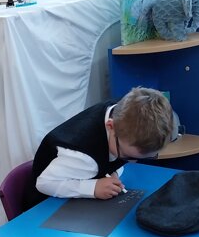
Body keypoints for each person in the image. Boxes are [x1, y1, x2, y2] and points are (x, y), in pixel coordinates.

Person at [28, 87, 174, 208]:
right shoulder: (81, 156)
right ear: (110, 126)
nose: (132, 162)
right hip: (45, 208)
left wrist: (114, 171)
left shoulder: (124, 112)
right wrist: (93, 188)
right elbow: (44, 183)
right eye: (127, 156)